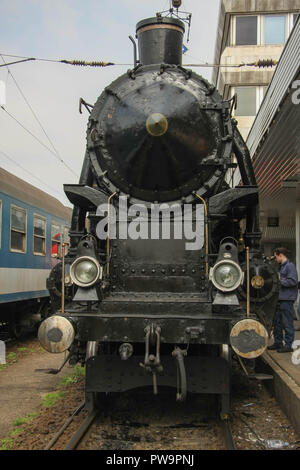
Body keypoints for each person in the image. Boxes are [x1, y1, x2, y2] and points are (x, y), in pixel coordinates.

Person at [268, 247, 298, 353]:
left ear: (280, 255)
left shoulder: (290, 266)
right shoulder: (281, 267)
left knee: (287, 322)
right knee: (277, 322)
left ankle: (288, 345)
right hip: (280, 299)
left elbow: (293, 281)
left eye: (276, 257)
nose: (275, 259)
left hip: (287, 299)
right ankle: (278, 342)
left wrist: (279, 281)